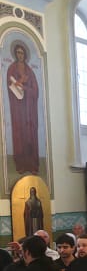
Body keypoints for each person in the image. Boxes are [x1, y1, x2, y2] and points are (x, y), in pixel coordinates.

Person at [6, 43, 39, 174]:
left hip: (29, 110)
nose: (20, 55)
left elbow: (35, 91)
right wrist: (20, 81)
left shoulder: (30, 71)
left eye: (22, 53)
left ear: (25, 55)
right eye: (18, 52)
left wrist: (24, 87)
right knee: (20, 136)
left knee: (30, 135)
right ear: (15, 54)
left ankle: (32, 165)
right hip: (18, 109)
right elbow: (10, 86)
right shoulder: (11, 69)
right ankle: (20, 164)